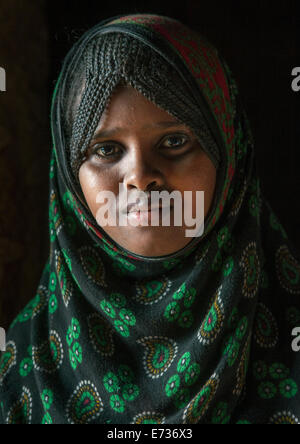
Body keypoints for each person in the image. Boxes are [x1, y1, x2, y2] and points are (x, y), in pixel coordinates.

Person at [1, 12, 300, 425]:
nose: (141, 178)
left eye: (174, 141)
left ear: (229, 153)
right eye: (106, 149)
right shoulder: (20, 366)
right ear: (71, 177)